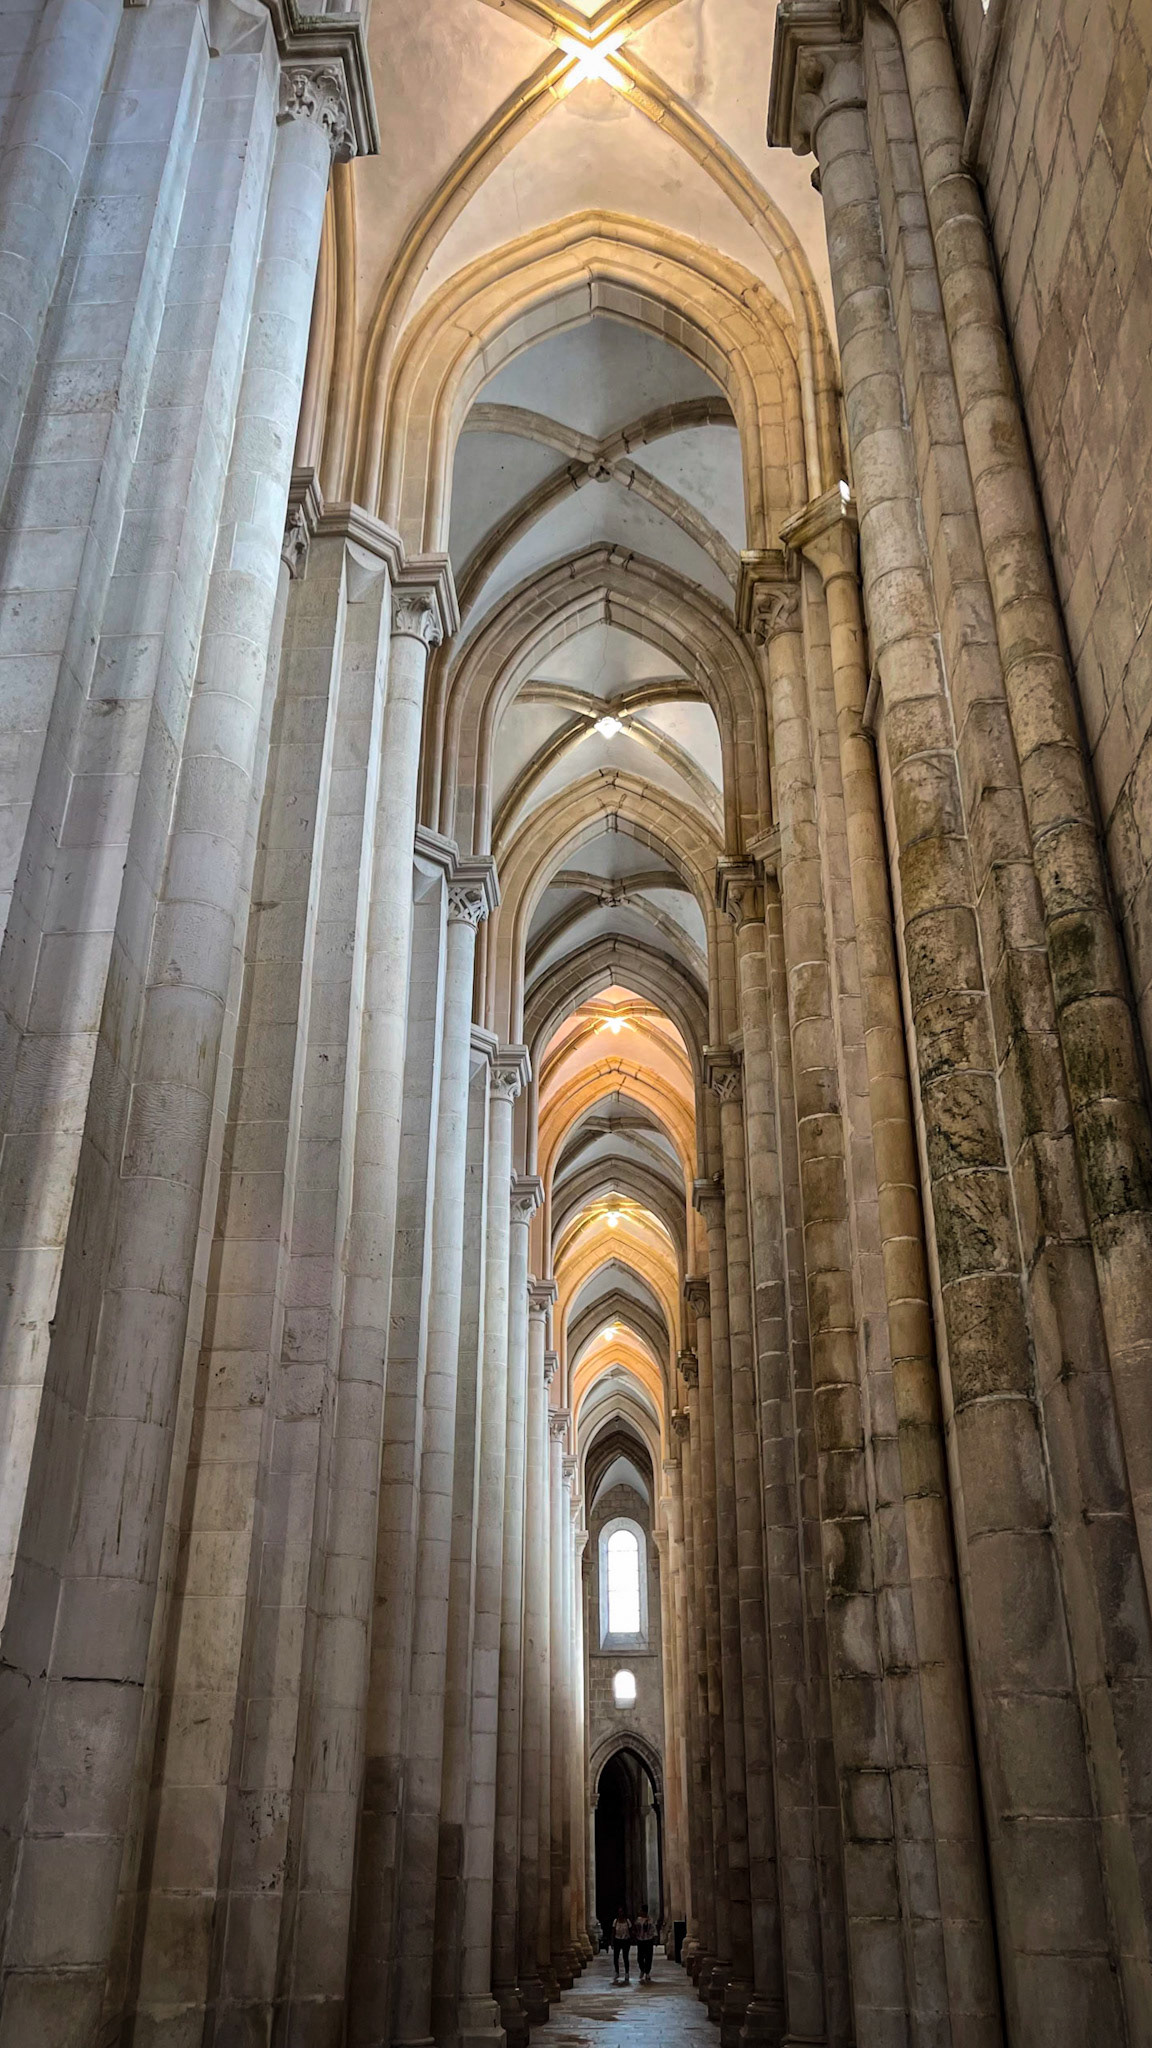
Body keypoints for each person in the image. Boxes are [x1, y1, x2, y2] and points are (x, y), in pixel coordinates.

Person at [634, 1904, 656, 1983]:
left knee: (648, 1957)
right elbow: (636, 1928)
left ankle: (647, 1972)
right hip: (640, 1939)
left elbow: (653, 1929)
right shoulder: (638, 1920)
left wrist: (654, 1937)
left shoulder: (650, 1920)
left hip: (648, 1939)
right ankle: (642, 1969)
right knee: (640, 1957)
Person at [611, 1906, 632, 1983]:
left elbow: (630, 1930)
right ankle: (617, 1972)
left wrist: (631, 1940)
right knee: (615, 1957)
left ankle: (627, 1973)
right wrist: (612, 1941)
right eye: (619, 1912)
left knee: (625, 1957)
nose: (620, 1914)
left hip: (626, 1941)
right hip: (617, 1940)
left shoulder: (627, 1921)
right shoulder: (615, 1921)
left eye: (621, 1912)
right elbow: (613, 1931)